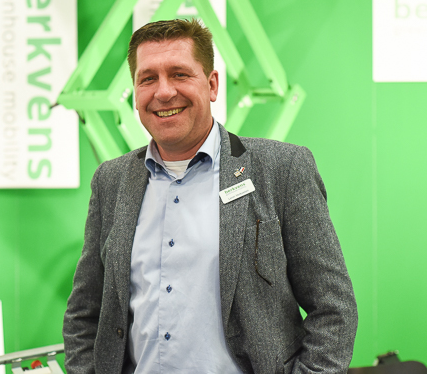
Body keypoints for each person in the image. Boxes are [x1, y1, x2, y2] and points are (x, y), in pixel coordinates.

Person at [62, 19, 357, 374]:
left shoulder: (282, 169)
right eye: (148, 79)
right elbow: (84, 313)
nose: (164, 92)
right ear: (135, 92)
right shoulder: (111, 181)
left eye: (179, 74)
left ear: (212, 84)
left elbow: (333, 309)